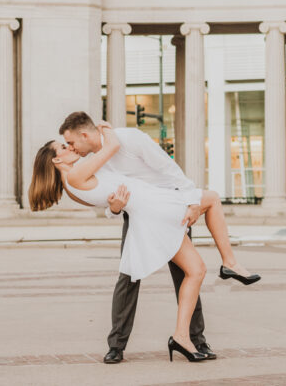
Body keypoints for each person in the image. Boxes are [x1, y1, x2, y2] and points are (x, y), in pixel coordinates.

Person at [29, 113, 260, 363]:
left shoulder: (98, 160)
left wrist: (190, 200)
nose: (70, 147)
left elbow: (166, 168)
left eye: (70, 142)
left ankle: (188, 336)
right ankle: (228, 265)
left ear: (84, 135)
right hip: (153, 209)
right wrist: (107, 129)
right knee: (209, 206)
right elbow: (110, 180)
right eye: (65, 146)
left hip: (160, 202)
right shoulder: (86, 165)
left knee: (193, 271)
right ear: (56, 159)